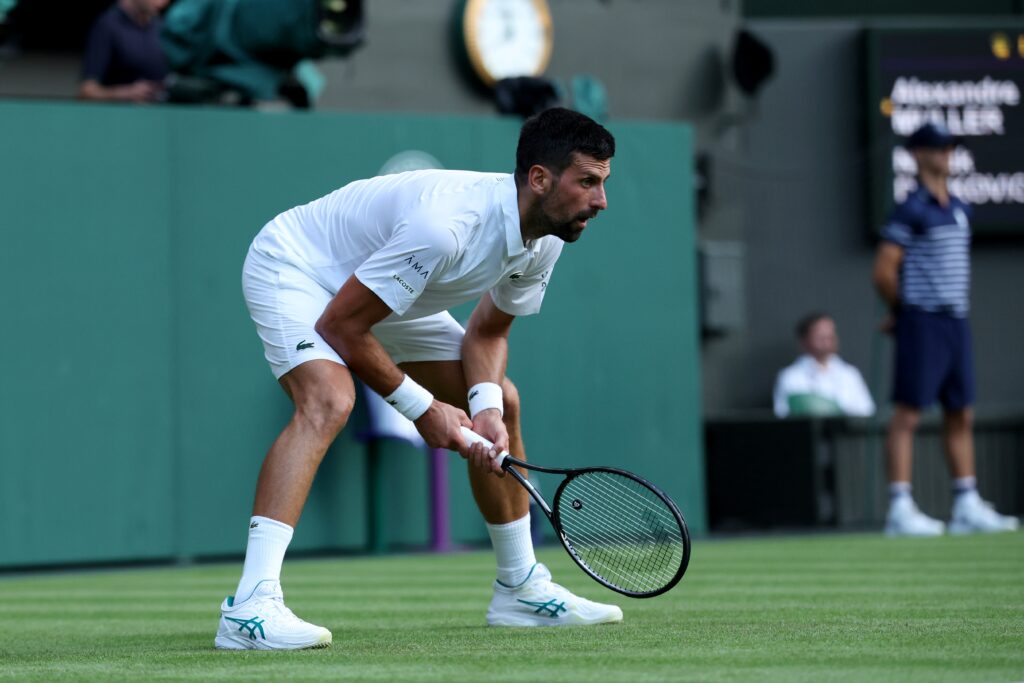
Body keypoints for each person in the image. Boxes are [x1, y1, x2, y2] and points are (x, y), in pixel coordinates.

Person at [217, 108, 622, 650]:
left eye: (604, 182)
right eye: (588, 182)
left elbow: (488, 333)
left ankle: (520, 589)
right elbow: (340, 324)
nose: (600, 202)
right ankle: (249, 607)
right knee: (329, 400)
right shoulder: (446, 227)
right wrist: (423, 409)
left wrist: (484, 409)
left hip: (389, 292)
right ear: (540, 179)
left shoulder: (546, 237)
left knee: (504, 398)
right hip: (299, 269)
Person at [872, 121, 1019, 538]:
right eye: (938, 149)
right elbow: (883, 270)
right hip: (923, 320)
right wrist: (903, 311)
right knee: (909, 413)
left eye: (950, 149)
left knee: (960, 412)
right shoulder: (910, 209)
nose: (946, 156)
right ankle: (900, 508)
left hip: (955, 321)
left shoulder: (958, 206)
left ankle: (966, 503)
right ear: (918, 153)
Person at [772, 312, 875, 418]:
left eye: (830, 335)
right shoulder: (789, 376)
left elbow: (866, 412)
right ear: (804, 340)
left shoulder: (850, 374)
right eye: (820, 336)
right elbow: (783, 415)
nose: (826, 341)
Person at [78, 0, 169, 103]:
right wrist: (125, 93)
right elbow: (86, 91)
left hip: (161, 114)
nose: (163, 2)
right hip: (120, 114)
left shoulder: (162, 27)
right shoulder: (107, 26)